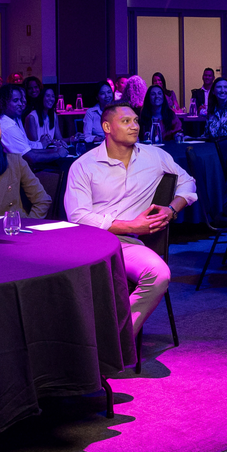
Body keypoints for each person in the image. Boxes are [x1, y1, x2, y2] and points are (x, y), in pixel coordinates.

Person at [64, 101, 195, 335]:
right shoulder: (84, 165)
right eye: (126, 121)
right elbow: (77, 216)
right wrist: (130, 224)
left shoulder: (154, 156)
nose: (134, 126)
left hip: (128, 245)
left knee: (159, 274)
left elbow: (188, 182)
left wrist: (172, 209)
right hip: (89, 242)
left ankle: (115, 339)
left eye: (135, 120)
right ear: (107, 126)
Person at [0, 84, 46, 157]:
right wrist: (57, 153)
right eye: (16, 100)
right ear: (3, 102)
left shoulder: (15, 118)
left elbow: (26, 145)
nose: (22, 103)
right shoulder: (8, 126)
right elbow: (29, 156)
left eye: (22, 98)